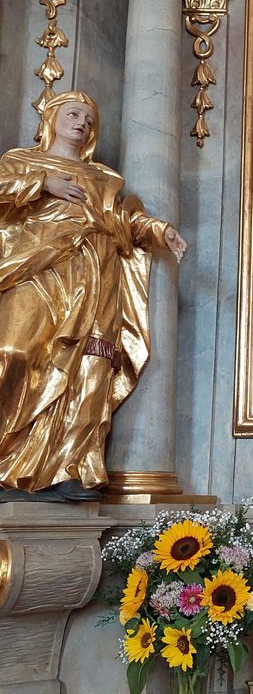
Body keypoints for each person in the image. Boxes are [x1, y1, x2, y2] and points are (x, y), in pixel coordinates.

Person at [0, 90, 187, 501]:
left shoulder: (103, 178)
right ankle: (5, 460)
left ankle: (66, 468)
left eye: (88, 119)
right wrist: (41, 182)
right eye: (73, 114)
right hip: (36, 269)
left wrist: (159, 230)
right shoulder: (20, 161)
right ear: (51, 119)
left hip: (93, 275)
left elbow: (122, 219)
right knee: (14, 351)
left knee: (89, 369)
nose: (81, 123)